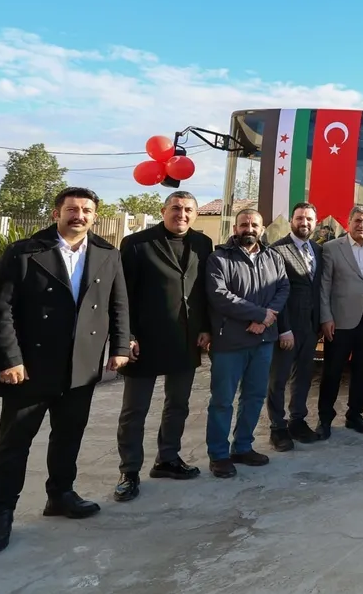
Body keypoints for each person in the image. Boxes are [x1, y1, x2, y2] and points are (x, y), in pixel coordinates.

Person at [0, 188, 130, 555]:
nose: (79, 215)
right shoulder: (23, 252)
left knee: (69, 436)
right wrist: (10, 359)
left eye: (86, 210)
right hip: (31, 368)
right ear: (57, 213)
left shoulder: (107, 254)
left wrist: (119, 347)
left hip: (81, 367)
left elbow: (119, 306)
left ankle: (61, 495)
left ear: (95, 216)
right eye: (72, 209)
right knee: (13, 444)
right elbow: (2, 310)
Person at [113, 191, 212, 503]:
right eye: (175, 208)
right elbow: (122, 294)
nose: (181, 214)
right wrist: (126, 336)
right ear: (163, 210)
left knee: (178, 405)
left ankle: (167, 459)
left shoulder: (203, 244)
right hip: (143, 341)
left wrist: (206, 327)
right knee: (135, 410)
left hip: (186, 340)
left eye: (187, 210)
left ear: (195, 214)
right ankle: (129, 471)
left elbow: (204, 290)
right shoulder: (137, 243)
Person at [204, 209, 289, 479]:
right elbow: (220, 295)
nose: (248, 228)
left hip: (263, 339)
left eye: (254, 224)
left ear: (262, 229)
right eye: (243, 224)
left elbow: (283, 288)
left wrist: (266, 319)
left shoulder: (273, 257)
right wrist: (258, 314)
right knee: (223, 401)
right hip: (230, 342)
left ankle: (243, 446)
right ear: (235, 227)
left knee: (253, 397)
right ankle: (218, 454)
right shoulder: (219, 258)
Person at [318, 205, 363, 438]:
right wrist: (325, 316)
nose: (362, 225)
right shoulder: (331, 248)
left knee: (362, 371)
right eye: (358, 220)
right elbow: (325, 285)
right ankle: (325, 419)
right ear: (348, 222)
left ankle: (355, 415)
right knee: (332, 372)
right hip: (339, 321)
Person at [265, 202, 324, 451]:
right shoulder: (277, 251)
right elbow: (275, 293)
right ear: (291, 220)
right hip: (286, 328)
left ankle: (297, 421)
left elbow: (318, 288)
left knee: (303, 377)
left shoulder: (318, 250)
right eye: (300, 218)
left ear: (315, 222)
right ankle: (277, 428)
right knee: (278, 379)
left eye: (309, 219)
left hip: (310, 327)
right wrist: (283, 328)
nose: (304, 223)